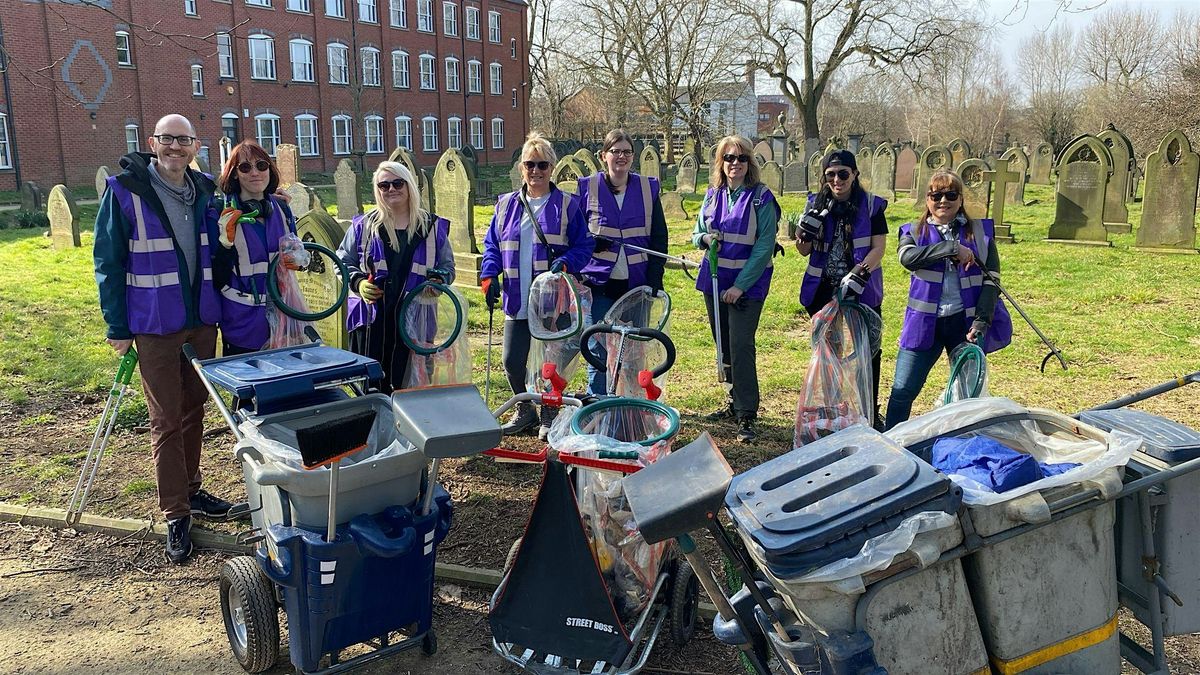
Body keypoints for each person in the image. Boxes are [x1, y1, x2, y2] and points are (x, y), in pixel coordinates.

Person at [93, 114, 243, 564]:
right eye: (168, 139)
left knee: (195, 408)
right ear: (153, 143)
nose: (176, 147)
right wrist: (118, 327)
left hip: (200, 319)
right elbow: (108, 262)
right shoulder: (125, 191)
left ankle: (193, 492)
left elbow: (217, 246)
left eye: (184, 140)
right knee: (165, 418)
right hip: (154, 323)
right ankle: (175, 511)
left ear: (195, 145)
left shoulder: (204, 191)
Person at [481, 133, 594, 436]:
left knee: (552, 361)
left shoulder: (567, 206)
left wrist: (566, 262)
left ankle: (550, 408)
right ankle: (524, 409)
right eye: (530, 164)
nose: (536, 171)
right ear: (521, 168)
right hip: (517, 295)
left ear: (552, 168)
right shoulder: (505, 206)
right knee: (512, 359)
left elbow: (584, 245)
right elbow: (492, 244)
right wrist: (489, 275)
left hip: (552, 297)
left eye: (542, 165)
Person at [884, 169, 1013, 429]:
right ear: (927, 199)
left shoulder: (981, 233)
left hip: (964, 325)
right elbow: (908, 259)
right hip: (923, 325)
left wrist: (981, 322)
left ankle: (963, 440)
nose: (943, 201)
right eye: (936, 195)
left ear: (960, 198)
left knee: (967, 395)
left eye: (950, 195)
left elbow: (992, 282)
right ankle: (891, 439)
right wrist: (953, 248)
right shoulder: (912, 231)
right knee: (902, 389)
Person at [692, 135, 781, 443]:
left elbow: (764, 245)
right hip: (714, 279)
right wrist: (704, 239)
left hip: (746, 285)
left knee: (741, 346)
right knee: (724, 346)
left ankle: (746, 413)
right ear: (721, 162)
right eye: (729, 158)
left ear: (749, 163)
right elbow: (697, 232)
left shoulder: (761, 197)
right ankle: (732, 400)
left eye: (741, 158)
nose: (735, 163)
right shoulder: (713, 193)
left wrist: (740, 286)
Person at [336, 161, 455, 392]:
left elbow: (447, 267)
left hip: (416, 318)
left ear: (409, 185)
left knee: (411, 382)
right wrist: (358, 283)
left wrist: (439, 282)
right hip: (371, 320)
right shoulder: (364, 226)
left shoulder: (431, 227)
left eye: (397, 183)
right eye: (384, 185)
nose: (391, 189)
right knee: (370, 384)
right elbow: (342, 261)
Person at [795, 149, 888, 428]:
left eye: (843, 173)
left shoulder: (871, 205)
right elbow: (803, 250)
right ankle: (833, 407)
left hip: (861, 287)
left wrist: (860, 272)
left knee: (866, 351)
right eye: (831, 175)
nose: (837, 180)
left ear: (855, 174)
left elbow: (878, 247)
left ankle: (869, 412)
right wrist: (805, 234)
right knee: (829, 351)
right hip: (823, 288)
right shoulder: (815, 204)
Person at [577, 130, 668, 397]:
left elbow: (659, 236)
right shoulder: (587, 187)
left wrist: (655, 279)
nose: (621, 157)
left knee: (634, 350)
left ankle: (631, 406)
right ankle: (597, 406)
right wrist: (592, 244)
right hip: (599, 285)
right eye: (615, 151)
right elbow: (576, 233)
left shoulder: (647, 187)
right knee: (598, 348)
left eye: (627, 151)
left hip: (637, 285)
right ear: (604, 155)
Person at [211, 141, 297, 355]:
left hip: (283, 315)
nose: (255, 173)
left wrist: (299, 258)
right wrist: (225, 244)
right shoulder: (219, 213)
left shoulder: (282, 209)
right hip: (243, 322)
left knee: (288, 384)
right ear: (234, 175)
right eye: (245, 167)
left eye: (261, 165)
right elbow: (215, 278)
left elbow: (294, 265)